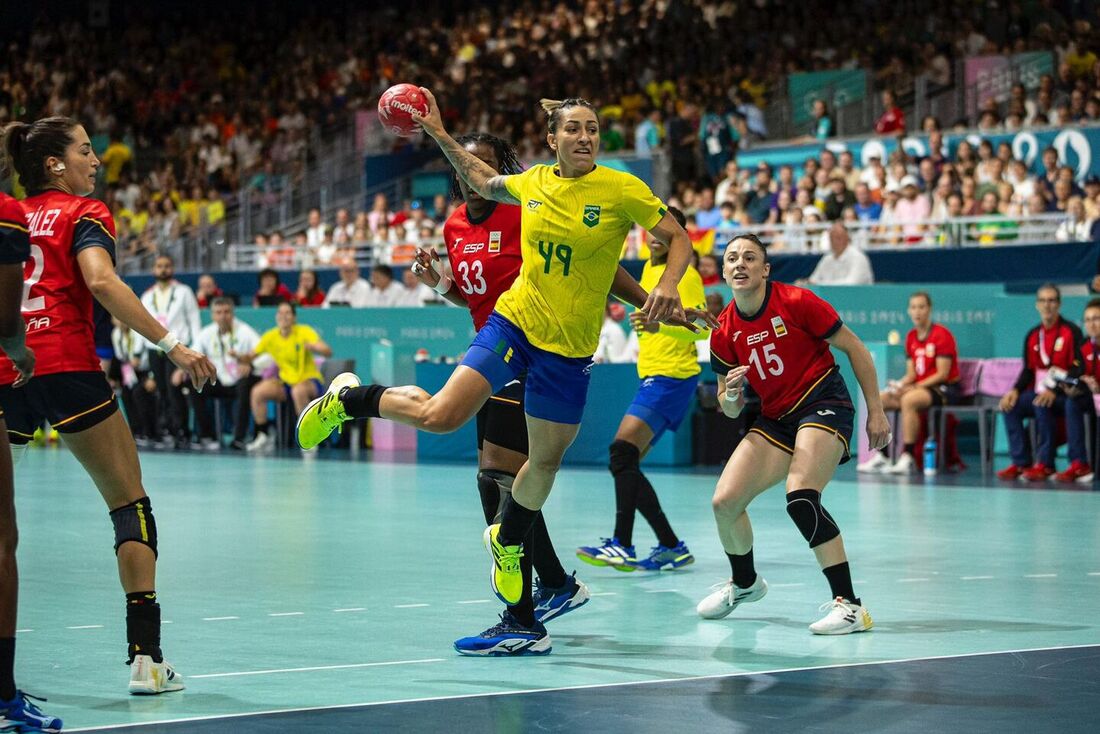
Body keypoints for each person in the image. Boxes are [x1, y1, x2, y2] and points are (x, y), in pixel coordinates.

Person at [296, 93, 705, 656]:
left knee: (540, 466)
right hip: (511, 327)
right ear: (554, 139)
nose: (586, 137)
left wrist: (663, 291)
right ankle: (354, 401)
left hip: (567, 352)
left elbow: (670, 241)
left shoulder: (620, 189)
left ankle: (528, 565)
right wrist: (438, 132)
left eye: (593, 128)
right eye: (574, 129)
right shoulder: (524, 188)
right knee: (445, 419)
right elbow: (483, 182)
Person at [0, 116, 216, 695]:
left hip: (6, 365)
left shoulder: (13, 214)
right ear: (54, 164)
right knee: (129, 502)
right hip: (66, 364)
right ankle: (146, 660)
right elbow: (100, 282)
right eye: (85, 151)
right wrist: (173, 345)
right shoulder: (84, 214)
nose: (96, 162)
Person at [408, 131, 589, 655]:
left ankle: (523, 618)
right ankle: (555, 583)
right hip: (492, 353)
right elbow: (474, 295)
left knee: (498, 477)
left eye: (485, 164)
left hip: (536, 350)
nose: (474, 173)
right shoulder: (454, 225)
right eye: (466, 164)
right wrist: (440, 284)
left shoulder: (524, 210)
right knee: (505, 480)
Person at [699, 233, 889, 635]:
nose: (740, 264)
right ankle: (746, 583)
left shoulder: (797, 302)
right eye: (732, 258)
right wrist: (731, 394)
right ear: (724, 271)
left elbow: (855, 348)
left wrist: (877, 410)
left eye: (750, 258)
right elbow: (727, 405)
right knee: (725, 502)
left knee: (801, 494)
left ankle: (851, 606)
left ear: (765, 269)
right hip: (776, 418)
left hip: (824, 401)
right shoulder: (723, 330)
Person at [578, 207, 706, 572]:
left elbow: (704, 328)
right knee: (626, 462)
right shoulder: (648, 272)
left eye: (666, 229)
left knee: (621, 452)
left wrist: (658, 328)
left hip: (673, 376)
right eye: (651, 226)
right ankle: (670, 545)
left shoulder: (687, 275)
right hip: (652, 375)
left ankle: (623, 544)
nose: (656, 233)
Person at [0, 191, 63, 731]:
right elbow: (5, 315)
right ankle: (2, 696)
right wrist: (20, 350)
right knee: (2, 538)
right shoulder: (6, 212)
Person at [857, 292, 961, 474]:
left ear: (929, 309)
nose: (917, 311)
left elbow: (942, 374)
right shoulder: (911, 337)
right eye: (913, 307)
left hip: (944, 389)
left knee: (909, 400)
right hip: (919, 388)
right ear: (908, 311)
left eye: (921, 307)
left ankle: (908, 456)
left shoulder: (942, 335)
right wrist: (899, 384)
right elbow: (912, 373)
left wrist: (913, 388)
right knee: (880, 399)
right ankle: (883, 456)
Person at [997, 284, 1090, 482]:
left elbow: (1077, 368)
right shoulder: (1032, 335)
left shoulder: (1070, 332)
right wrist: (1014, 390)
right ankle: (1021, 462)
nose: (1047, 305)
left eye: (1051, 301)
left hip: (1065, 393)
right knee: (1010, 406)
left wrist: (1054, 390)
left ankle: (1046, 464)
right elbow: (1028, 370)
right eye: (1043, 301)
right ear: (1037, 305)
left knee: (1041, 403)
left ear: (1059, 304)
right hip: (1041, 391)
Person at [243, 301, 332, 453]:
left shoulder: (304, 331)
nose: (283, 316)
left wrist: (314, 347)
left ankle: (309, 437)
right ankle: (263, 435)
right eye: (280, 313)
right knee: (258, 391)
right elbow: (249, 357)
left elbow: (327, 351)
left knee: (298, 391)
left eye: (287, 313)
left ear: (294, 318)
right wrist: (239, 358)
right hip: (285, 382)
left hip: (309, 380)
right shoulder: (270, 336)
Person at [139, 255, 202, 447]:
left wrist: (193, 352)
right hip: (154, 349)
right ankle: (164, 430)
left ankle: (181, 431)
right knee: (160, 391)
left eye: (167, 266)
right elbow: (142, 325)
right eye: (159, 266)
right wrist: (141, 356)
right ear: (154, 270)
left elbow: (194, 323)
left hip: (178, 347)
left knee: (175, 391)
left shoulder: (184, 292)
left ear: (172, 268)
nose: (163, 269)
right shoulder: (148, 296)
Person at [192, 297, 262, 451]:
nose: (223, 316)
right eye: (218, 312)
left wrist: (249, 364)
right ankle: (206, 436)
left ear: (233, 313)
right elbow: (194, 354)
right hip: (216, 380)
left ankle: (239, 438)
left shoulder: (245, 331)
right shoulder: (206, 333)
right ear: (212, 315)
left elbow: (264, 355)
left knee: (246, 384)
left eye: (227, 312)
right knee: (195, 386)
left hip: (239, 380)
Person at [1067, 298, 1100, 484]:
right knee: (1073, 402)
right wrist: (1075, 384)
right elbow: (1075, 372)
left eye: (1096, 319)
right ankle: (1079, 463)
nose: (1091, 324)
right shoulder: (1083, 346)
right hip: (1092, 398)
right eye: (1087, 320)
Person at [804, 223, 874, 285]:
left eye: (838, 237)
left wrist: (821, 284)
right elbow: (813, 280)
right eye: (832, 238)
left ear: (847, 238)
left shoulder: (858, 257)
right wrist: (804, 283)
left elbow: (852, 284)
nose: (835, 241)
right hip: (829, 298)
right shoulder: (826, 259)